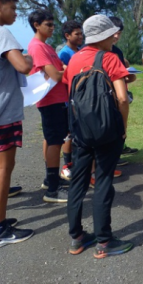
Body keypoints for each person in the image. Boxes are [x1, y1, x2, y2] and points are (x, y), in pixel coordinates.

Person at [63, 14, 133, 258]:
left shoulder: (73, 60)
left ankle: (77, 238)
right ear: (103, 36)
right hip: (107, 130)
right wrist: (122, 127)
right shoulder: (111, 58)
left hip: (80, 131)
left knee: (78, 183)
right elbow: (123, 98)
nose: (116, 36)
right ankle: (104, 241)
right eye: (113, 33)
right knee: (103, 182)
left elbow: (70, 91)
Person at [0, 0, 34, 247]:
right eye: (12, 8)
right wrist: (29, 58)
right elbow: (23, 66)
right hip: (2, 113)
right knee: (2, 169)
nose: (16, 14)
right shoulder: (1, 33)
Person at [28, 9, 69, 203]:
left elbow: (61, 68)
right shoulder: (37, 47)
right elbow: (57, 74)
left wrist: (65, 71)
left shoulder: (47, 46)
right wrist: (71, 72)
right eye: (48, 25)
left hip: (59, 99)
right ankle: (53, 190)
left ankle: (50, 179)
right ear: (36, 25)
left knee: (55, 139)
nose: (53, 28)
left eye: (53, 24)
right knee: (55, 141)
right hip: (50, 100)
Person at [57, 20, 84, 180]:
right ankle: (67, 166)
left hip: (81, 98)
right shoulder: (65, 53)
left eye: (81, 33)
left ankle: (77, 162)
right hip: (70, 99)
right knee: (69, 133)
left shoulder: (80, 51)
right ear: (67, 36)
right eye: (77, 34)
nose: (81, 36)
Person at [108, 16, 138, 156]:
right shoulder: (96, 51)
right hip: (103, 96)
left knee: (117, 125)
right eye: (114, 32)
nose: (116, 36)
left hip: (117, 94)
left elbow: (120, 76)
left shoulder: (118, 52)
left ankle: (118, 151)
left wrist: (129, 77)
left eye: (119, 33)